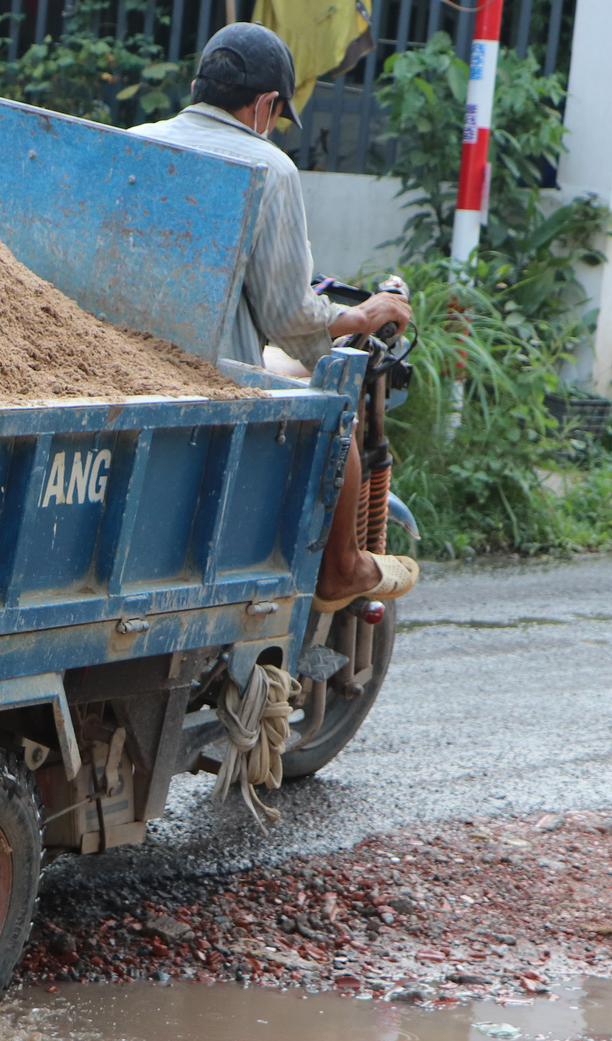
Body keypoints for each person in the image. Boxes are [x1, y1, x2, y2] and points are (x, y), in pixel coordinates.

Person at [133, 23, 415, 611]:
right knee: (336, 406)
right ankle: (339, 568)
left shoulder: (139, 140)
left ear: (197, 85)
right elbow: (289, 314)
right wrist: (361, 315)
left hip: (124, 362)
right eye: (277, 114)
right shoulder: (269, 166)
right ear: (265, 105)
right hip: (212, 381)